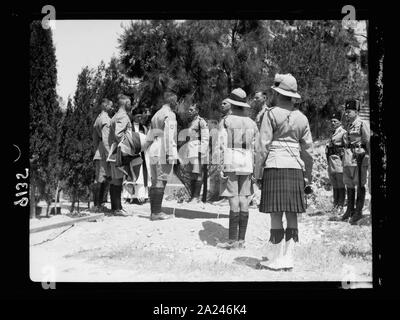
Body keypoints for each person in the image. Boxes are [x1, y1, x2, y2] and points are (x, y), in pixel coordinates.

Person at [255, 74, 313, 271]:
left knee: (275, 213)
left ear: (277, 93)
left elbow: (262, 146)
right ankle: (288, 259)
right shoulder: (302, 118)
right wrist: (308, 175)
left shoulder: (270, 115)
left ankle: (275, 257)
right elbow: (308, 151)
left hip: (274, 165)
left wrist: (258, 172)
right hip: (296, 167)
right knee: (292, 213)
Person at [216, 88, 258, 249]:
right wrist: (255, 167)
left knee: (233, 198)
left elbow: (221, 144)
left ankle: (232, 240)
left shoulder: (226, 121)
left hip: (231, 157)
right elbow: (256, 147)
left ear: (232, 103)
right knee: (244, 197)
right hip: (247, 159)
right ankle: (242, 240)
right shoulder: (252, 123)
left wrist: (220, 165)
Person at [145, 91, 179, 221]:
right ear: (172, 101)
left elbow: (150, 134)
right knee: (161, 180)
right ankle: (156, 212)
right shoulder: (169, 114)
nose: (176, 104)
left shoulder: (156, 114)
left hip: (154, 147)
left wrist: (145, 148)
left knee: (154, 180)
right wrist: (170, 154)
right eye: (176, 101)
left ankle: (154, 210)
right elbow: (170, 136)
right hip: (163, 149)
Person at [339, 99, 370, 224]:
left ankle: (358, 211)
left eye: (349, 111)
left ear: (356, 111)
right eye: (345, 112)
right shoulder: (347, 125)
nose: (346, 114)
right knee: (349, 183)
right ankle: (350, 209)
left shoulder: (362, 124)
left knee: (360, 183)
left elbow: (367, 141)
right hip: (348, 157)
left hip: (359, 157)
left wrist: (366, 156)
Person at [107, 94, 134, 216]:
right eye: (129, 103)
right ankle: (117, 208)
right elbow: (119, 134)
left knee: (115, 180)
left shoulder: (116, 115)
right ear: (126, 103)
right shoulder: (123, 116)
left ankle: (116, 207)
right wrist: (129, 144)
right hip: (119, 152)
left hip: (114, 151)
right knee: (117, 180)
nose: (131, 105)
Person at [179, 103, 210, 203]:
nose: (189, 111)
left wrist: (202, 151)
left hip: (197, 148)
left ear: (197, 111)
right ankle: (192, 196)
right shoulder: (191, 122)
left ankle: (196, 197)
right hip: (190, 148)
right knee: (192, 173)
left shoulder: (201, 122)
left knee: (197, 173)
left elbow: (205, 137)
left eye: (191, 110)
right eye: (189, 110)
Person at [122, 107, 152, 205]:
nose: (139, 118)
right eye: (138, 116)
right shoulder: (128, 126)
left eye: (141, 117)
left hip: (142, 154)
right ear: (133, 116)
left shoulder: (144, 128)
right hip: (131, 153)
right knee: (130, 173)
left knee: (142, 175)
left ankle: (141, 197)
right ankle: (128, 197)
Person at [92, 98, 113, 212]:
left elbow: (95, 138)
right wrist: (110, 154)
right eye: (110, 105)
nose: (112, 108)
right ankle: (97, 205)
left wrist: (97, 150)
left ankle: (99, 204)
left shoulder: (98, 118)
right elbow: (106, 139)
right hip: (104, 153)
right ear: (105, 105)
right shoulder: (105, 119)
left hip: (99, 152)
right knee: (101, 179)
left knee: (100, 178)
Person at [325, 112, 347, 216]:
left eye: (335, 121)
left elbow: (346, 147)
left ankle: (341, 205)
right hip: (331, 161)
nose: (333, 123)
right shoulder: (333, 132)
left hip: (339, 161)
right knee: (335, 185)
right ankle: (335, 204)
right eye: (332, 121)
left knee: (340, 184)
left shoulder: (343, 132)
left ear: (340, 122)